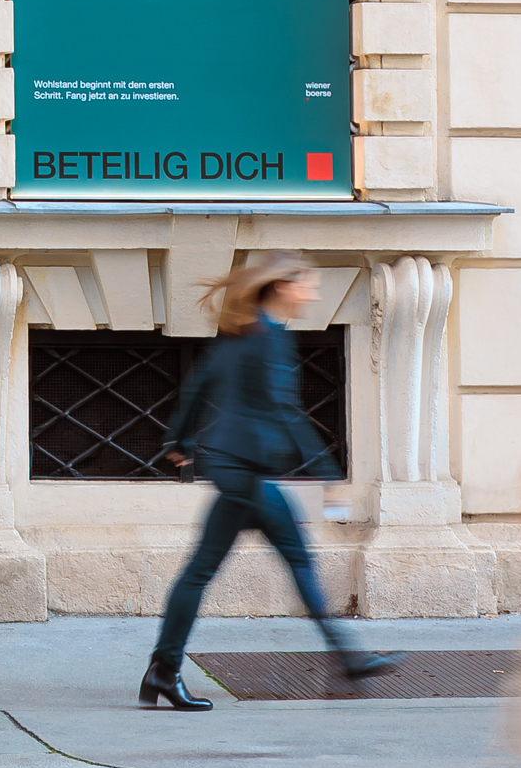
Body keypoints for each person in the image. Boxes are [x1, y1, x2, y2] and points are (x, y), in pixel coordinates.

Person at [139, 251, 397, 711]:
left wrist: (178, 439)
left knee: (205, 572)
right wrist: (325, 471)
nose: (312, 293)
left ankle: (164, 668)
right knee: (283, 561)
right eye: (306, 285)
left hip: (237, 470)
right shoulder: (268, 338)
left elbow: (199, 383)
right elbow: (285, 409)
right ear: (282, 287)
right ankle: (348, 657)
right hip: (246, 474)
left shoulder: (242, 332)